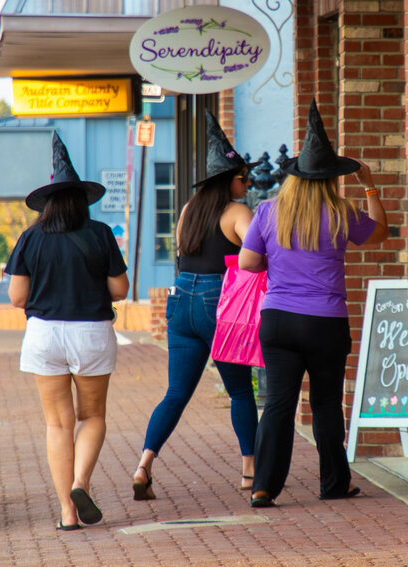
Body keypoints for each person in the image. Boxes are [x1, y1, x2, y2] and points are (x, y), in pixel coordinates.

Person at [238, 99, 389, 507]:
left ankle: (263, 486)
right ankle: (334, 484)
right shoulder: (342, 212)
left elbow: (248, 263)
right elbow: (379, 233)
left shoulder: (268, 211)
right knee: (325, 404)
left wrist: (282, 259)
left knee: (278, 404)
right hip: (326, 322)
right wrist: (370, 185)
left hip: (279, 319)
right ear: (329, 178)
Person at [132, 110, 259, 500]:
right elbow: (258, 253)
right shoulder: (238, 213)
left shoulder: (188, 210)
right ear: (228, 181)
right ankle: (250, 474)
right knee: (239, 392)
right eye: (244, 177)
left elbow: (182, 256)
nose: (249, 181)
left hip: (180, 299)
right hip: (217, 302)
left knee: (175, 393)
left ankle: (143, 465)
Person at [6, 132, 129, 531]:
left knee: (57, 424)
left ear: (48, 201)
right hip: (91, 331)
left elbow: (17, 297)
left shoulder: (30, 237)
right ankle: (81, 483)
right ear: (81, 199)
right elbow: (120, 290)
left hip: (44, 335)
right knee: (91, 416)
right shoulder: (100, 233)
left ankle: (66, 512)